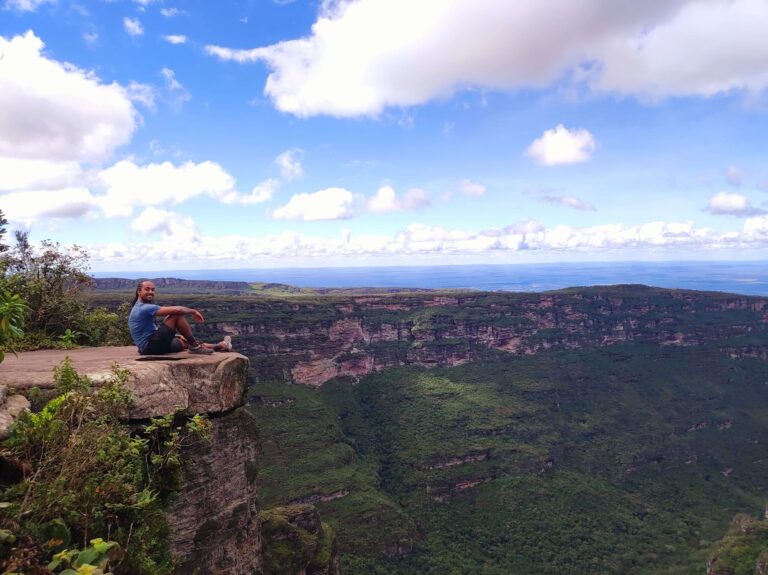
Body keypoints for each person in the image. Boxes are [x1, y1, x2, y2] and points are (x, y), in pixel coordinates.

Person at [128, 280, 232, 355]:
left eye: (153, 290)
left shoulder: (141, 307)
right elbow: (177, 310)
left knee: (185, 341)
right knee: (176, 315)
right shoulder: (143, 308)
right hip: (150, 346)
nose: (151, 292)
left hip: (150, 346)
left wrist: (177, 336)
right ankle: (196, 348)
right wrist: (193, 311)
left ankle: (221, 345)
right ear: (139, 291)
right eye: (147, 289)